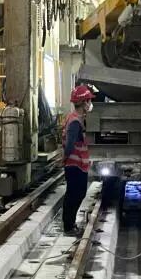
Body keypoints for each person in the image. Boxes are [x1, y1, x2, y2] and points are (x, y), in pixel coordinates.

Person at [61, 85, 93, 236]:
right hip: (74, 165)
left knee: (77, 194)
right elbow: (69, 144)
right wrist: (64, 159)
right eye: (89, 101)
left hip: (78, 164)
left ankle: (70, 224)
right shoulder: (75, 122)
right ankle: (68, 227)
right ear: (84, 102)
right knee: (75, 194)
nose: (90, 103)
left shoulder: (77, 118)